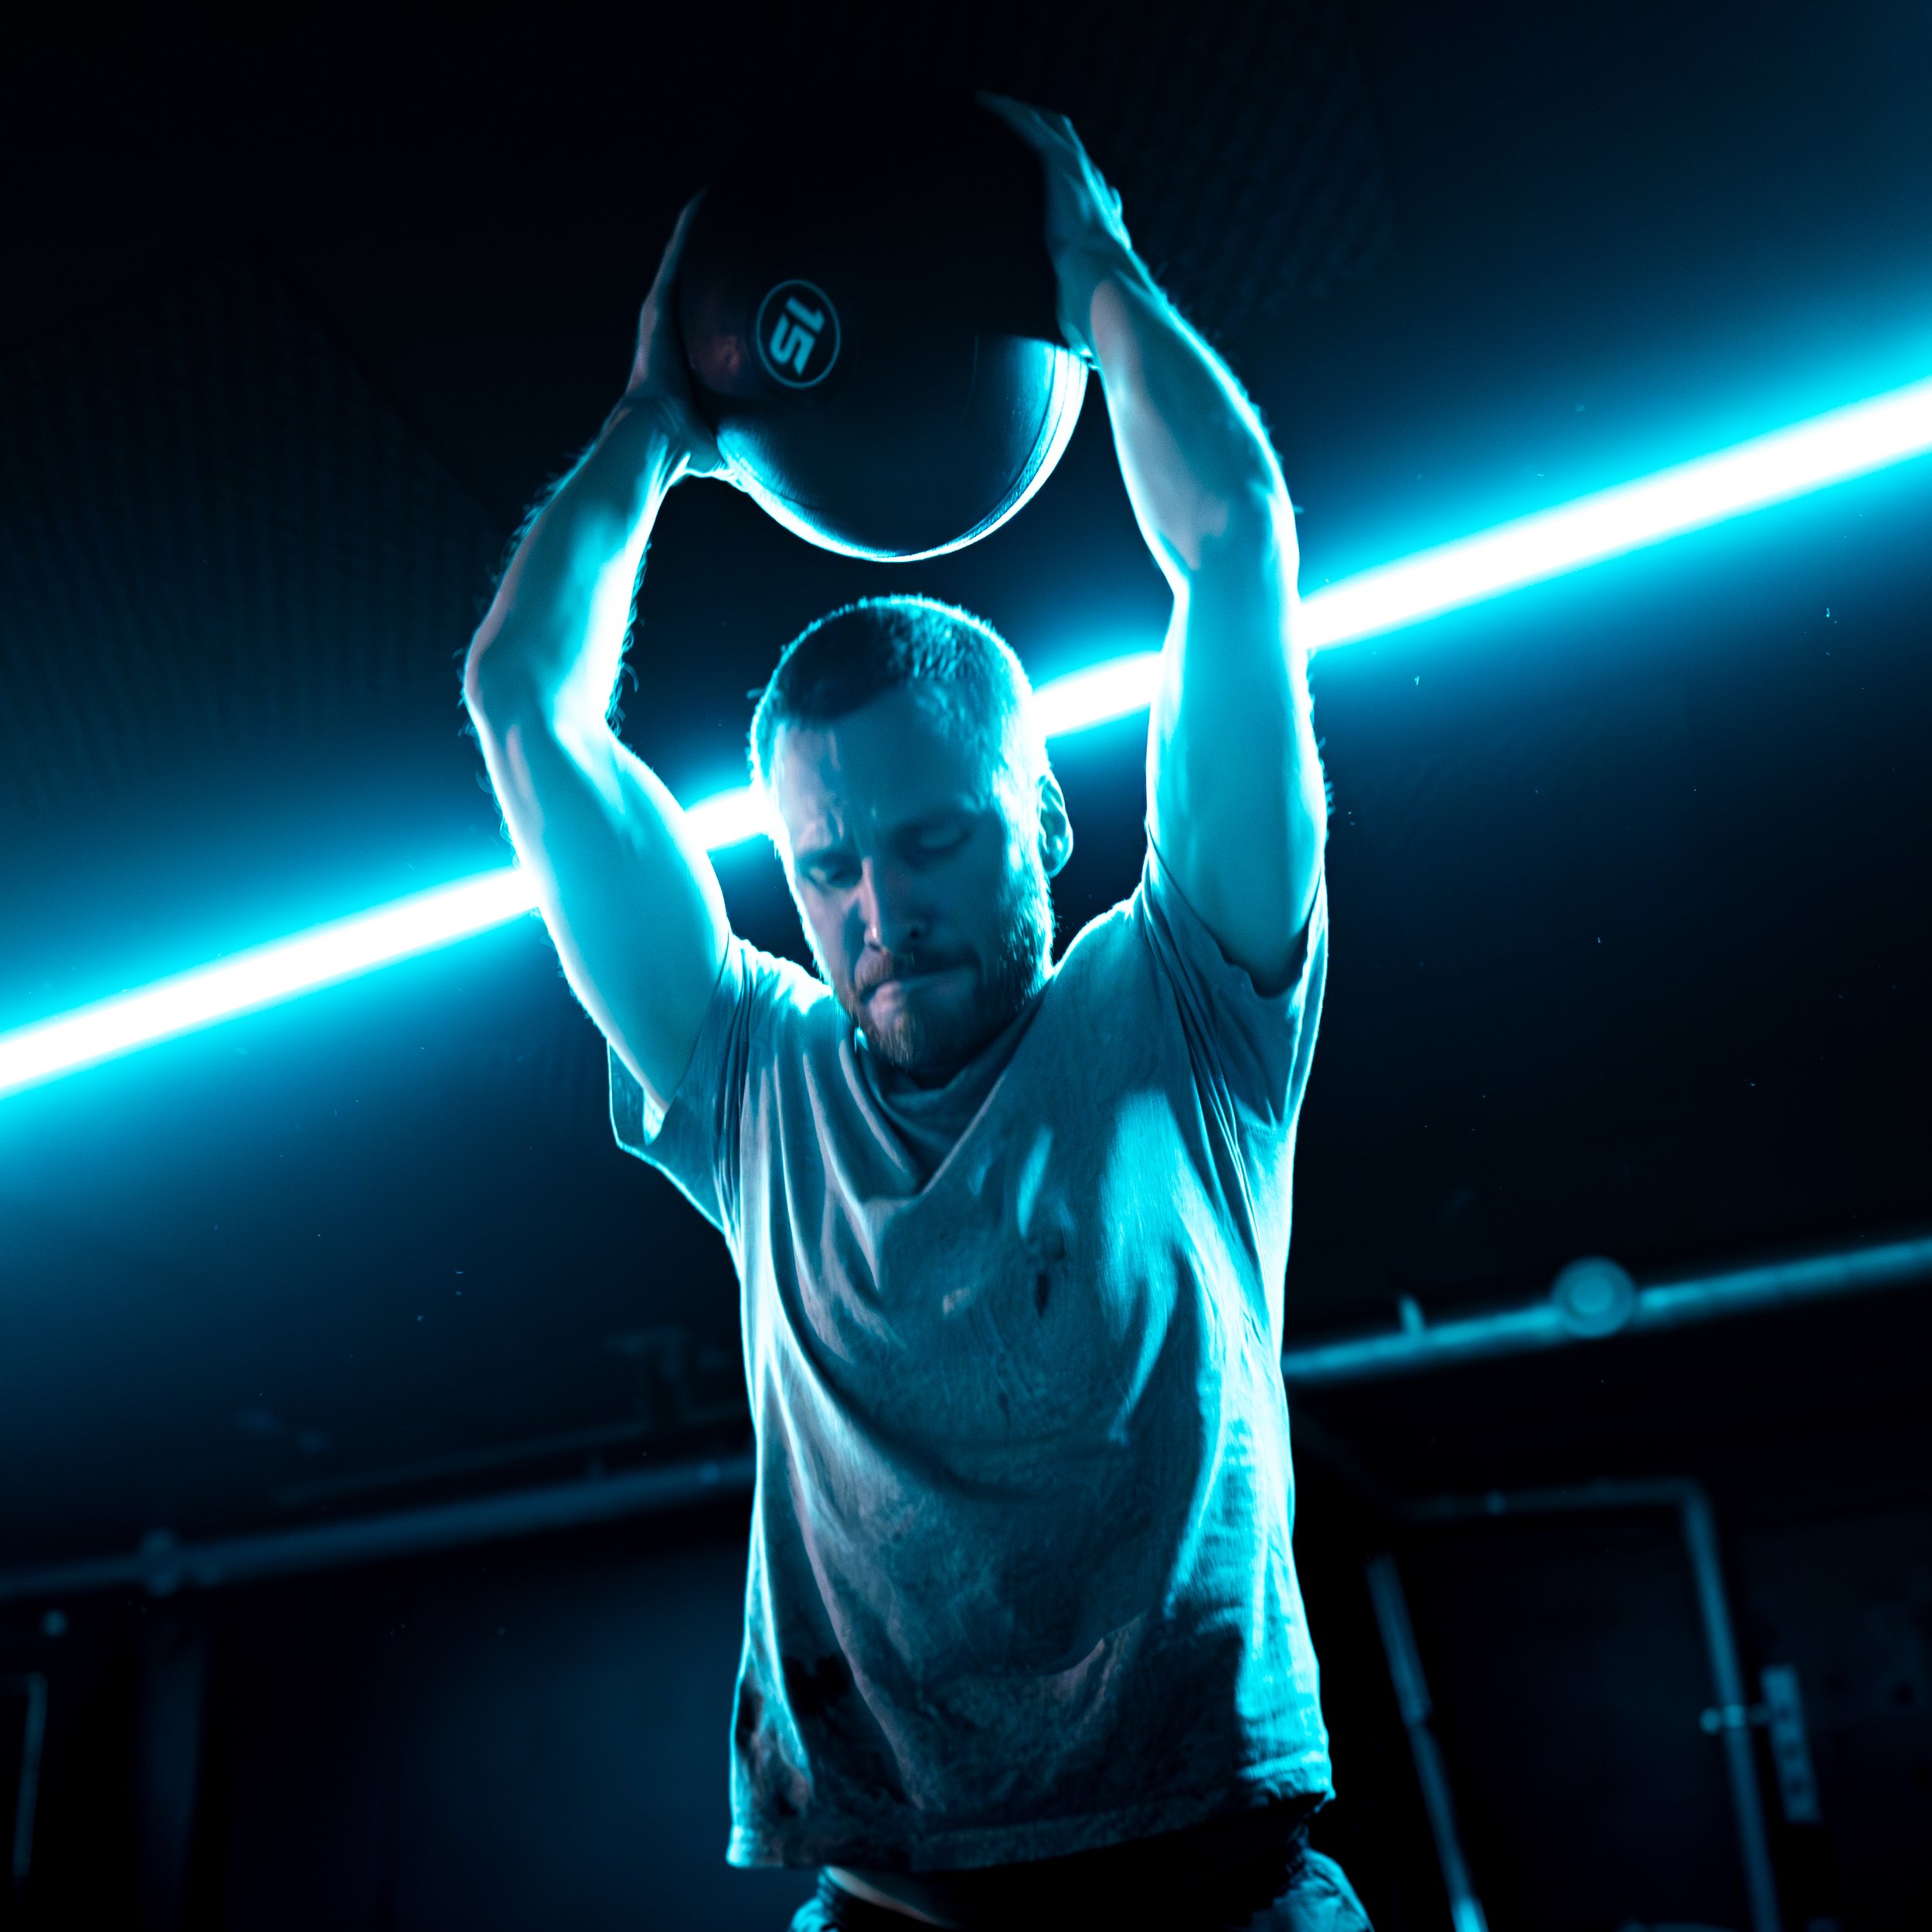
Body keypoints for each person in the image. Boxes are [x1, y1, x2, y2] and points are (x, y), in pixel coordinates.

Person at [464, 97, 1367, 1931]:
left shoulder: (1184, 1001)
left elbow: (1239, 539)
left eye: (934, 839)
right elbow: (521, 706)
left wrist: (1091, 271)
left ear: (1041, 819)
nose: (880, 910)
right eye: (830, 867)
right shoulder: (754, 1081)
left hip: (1219, 1880)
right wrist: (658, 421)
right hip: (887, 1900)